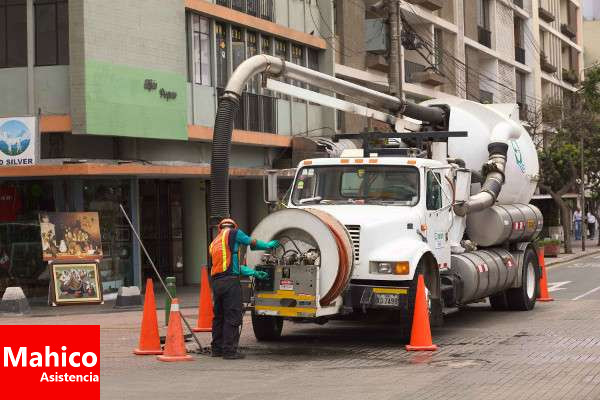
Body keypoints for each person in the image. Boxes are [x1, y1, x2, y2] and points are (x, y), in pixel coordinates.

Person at [209, 218, 279, 360]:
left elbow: (232, 266)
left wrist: (253, 273)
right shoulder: (233, 233)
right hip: (230, 283)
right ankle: (229, 351)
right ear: (233, 226)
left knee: (219, 317)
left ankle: (217, 349)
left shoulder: (215, 243)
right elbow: (251, 243)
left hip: (217, 283)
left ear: (219, 228)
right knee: (233, 315)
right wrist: (267, 245)